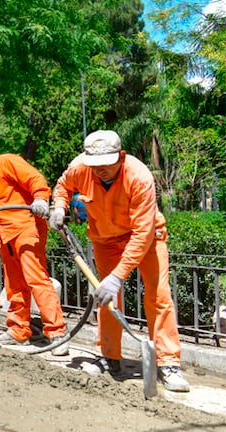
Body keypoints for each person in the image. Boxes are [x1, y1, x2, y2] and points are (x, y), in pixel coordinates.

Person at [49, 129, 190, 392]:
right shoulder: (80, 167)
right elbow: (62, 186)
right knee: (107, 298)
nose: (100, 169)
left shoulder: (139, 176)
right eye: (96, 164)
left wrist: (117, 276)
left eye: (107, 163)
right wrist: (59, 206)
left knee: (159, 296)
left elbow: (142, 233)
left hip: (147, 238)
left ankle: (168, 362)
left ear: (121, 156)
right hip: (105, 239)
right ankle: (108, 356)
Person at [0, 138, 69, 356]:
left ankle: (57, 333)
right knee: (15, 286)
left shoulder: (7, 162)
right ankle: (19, 330)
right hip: (6, 239)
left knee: (36, 280)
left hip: (26, 231)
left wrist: (40, 199)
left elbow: (35, 179)